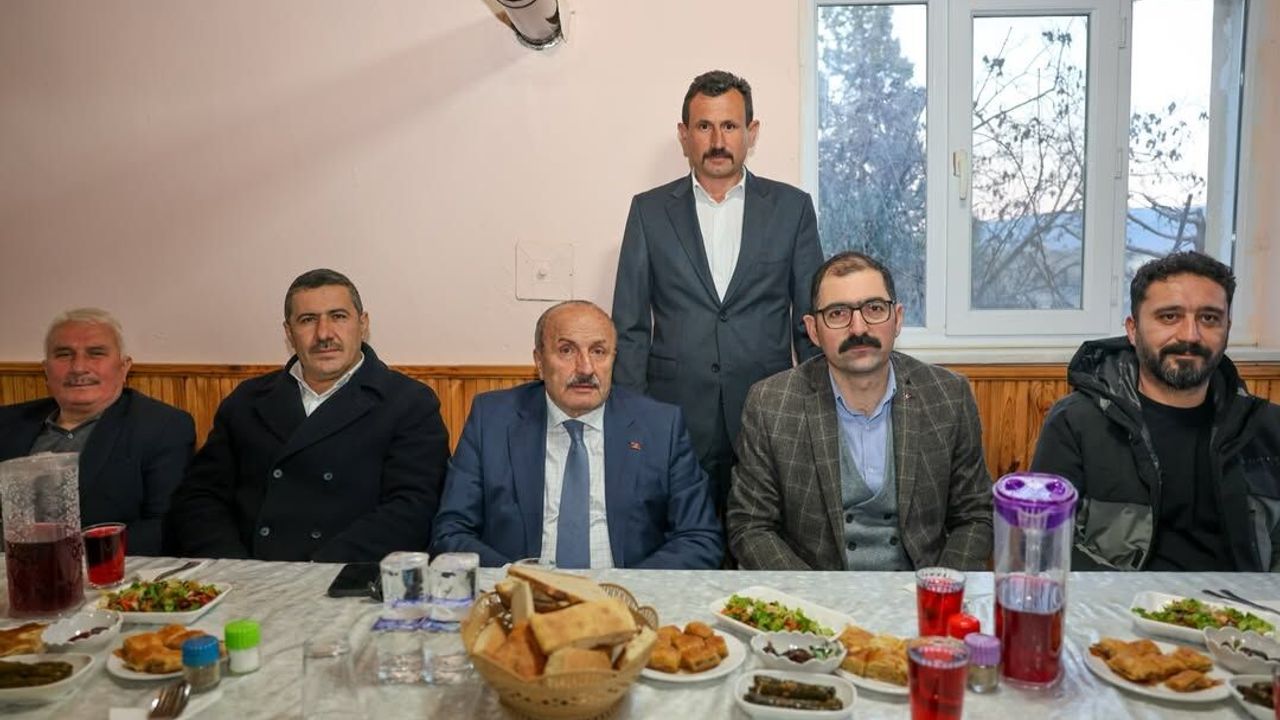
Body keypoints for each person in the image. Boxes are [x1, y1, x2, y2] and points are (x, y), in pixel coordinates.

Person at [611, 69, 824, 518]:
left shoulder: (792, 209)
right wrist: (634, 417)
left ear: (751, 132)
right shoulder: (648, 211)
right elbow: (629, 326)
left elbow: (810, 322)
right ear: (684, 135)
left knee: (761, 538)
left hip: (768, 412)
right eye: (704, 126)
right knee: (680, 539)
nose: (717, 140)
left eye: (729, 125)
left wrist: (817, 409)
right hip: (674, 414)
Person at [727, 252, 993, 571]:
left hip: (921, 589)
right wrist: (808, 597)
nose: (858, 328)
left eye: (874, 309)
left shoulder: (948, 396)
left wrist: (940, 590)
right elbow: (751, 526)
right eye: (837, 313)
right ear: (813, 330)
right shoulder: (771, 403)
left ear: (897, 318)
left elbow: (976, 516)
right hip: (814, 592)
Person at [165, 269, 450, 562]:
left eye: (338, 316)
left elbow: (412, 508)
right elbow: (200, 497)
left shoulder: (409, 403)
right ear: (289, 332)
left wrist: (317, 570)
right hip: (248, 574)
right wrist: (233, 566)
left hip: (346, 575)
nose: (324, 334)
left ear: (362, 324)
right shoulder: (247, 402)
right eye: (308, 320)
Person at [1032, 251, 1280, 572]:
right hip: (1117, 599)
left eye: (1209, 318)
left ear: (1227, 328)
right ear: (1133, 330)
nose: (1190, 335)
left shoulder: (1268, 427)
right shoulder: (1076, 421)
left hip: (1244, 602)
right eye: (1169, 317)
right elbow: (1044, 541)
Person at [432, 301, 722, 569]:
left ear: (614, 359)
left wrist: (628, 590)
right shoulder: (492, 420)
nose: (585, 368)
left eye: (598, 351)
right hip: (523, 597)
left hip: (626, 597)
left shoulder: (660, 426)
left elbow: (699, 538)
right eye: (567, 350)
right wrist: (517, 581)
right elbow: (451, 532)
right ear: (539, 362)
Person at [0, 308, 194, 555]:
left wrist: (68, 554)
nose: (79, 367)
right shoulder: (7, 423)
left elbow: (165, 528)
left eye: (96, 353)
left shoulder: (162, 426)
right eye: (64, 354)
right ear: (46, 369)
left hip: (103, 568)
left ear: (123, 367)